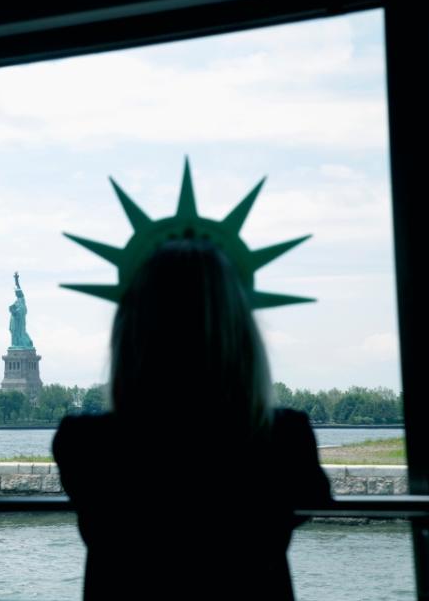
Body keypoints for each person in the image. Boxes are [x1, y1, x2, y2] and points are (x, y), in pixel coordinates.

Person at [53, 239, 331, 600]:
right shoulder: (284, 437)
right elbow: (314, 500)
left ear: (131, 332)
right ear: (242, 335)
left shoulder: (85, 443)